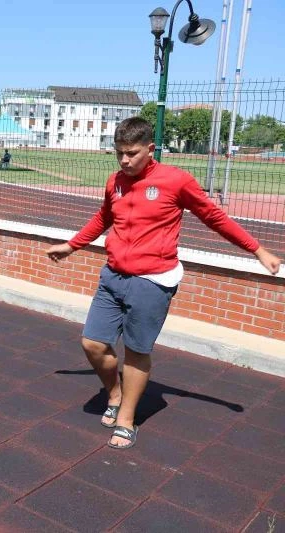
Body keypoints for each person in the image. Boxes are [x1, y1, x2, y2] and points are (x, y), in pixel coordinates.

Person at [45, 117, 281, 449]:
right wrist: (73, 245)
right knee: (92, 344)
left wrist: (258, 250)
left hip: (153, 281)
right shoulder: (116, 181)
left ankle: (127, 418)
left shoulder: (175, 181)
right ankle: (114, 393)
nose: (125, 161)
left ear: (151, 149)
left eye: (132, 153)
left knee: (137, 351)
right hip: (113, 276)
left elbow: (214, 217)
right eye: (119, 153)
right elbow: (104, 217)